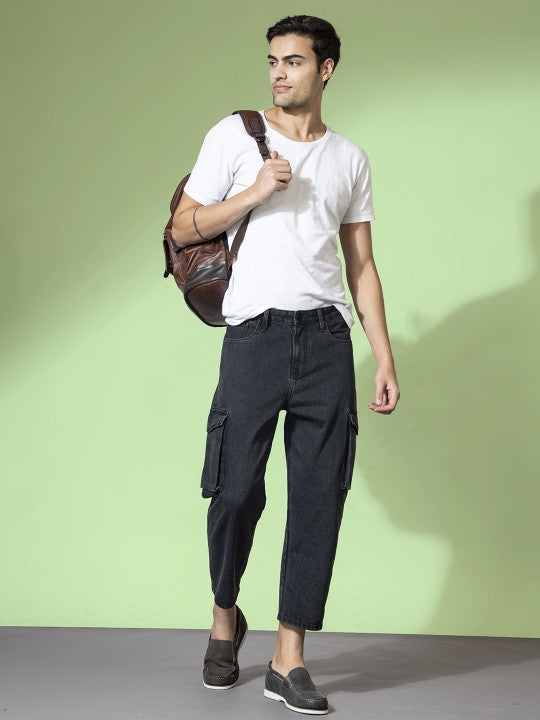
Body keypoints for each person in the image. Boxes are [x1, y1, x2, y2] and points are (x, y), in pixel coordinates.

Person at [172, 14, 400, 715]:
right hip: (254, 337)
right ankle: (225, 616)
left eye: (294, 61)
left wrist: (383, 355)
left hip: (327, 340)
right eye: (273, 61)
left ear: (325, 69)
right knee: (235, 489)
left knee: (318, 498)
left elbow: (361, 266)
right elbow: (183, 227)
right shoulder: (235, 137)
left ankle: (287, 658)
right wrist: (253, 193)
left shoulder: (349, 159)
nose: (278, 72)